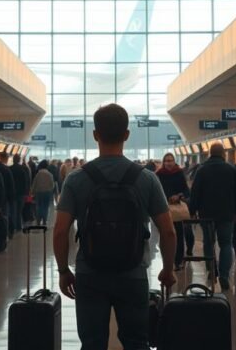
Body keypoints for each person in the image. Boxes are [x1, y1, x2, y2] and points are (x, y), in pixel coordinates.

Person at [54, 104, 176, 350]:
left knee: (92, 343)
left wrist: (64, 270)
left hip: (90, 273)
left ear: (96, 135)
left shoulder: (76, 179)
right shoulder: (147, 178)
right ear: (127, 135)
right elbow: (168, 231)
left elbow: (60, 230)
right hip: (133, 272)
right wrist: (168, 269)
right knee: (136, 342)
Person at [189, 142, 236, 291]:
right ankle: (224, 275)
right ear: (223, 154)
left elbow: (195, 192)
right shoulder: (231, 170)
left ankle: (211, 271)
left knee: (208, 242)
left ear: (209, 154)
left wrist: (192, 210)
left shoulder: (202, 170)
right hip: (227, 213)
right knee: (226, 243)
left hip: (206, 214)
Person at [156, 152, 193, 271]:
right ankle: (167, 260)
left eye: (171, 160)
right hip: (163, 209)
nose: (168, 163)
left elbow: (186, 191)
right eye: (166, 160)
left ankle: (178, 260)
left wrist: (178, 196)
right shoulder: (158, 175)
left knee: (178, 234)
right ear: (163, 162)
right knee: (165, 235)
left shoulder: (179, 173)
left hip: (176, 209)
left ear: (174, 161)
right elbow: (156, 192)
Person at [0, 153, 16, 239]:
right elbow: (11, 186)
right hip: (5, 197)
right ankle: (6, 233)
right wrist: (12, 199)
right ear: (6, 159)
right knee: (6, 215)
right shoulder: (7, 170)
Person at [30, 160, 57, 226]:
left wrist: (32, 192)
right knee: (45, 206)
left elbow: (34, 184)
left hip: (38, 192)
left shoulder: (38, 174)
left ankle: (38, 221)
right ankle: (44, 221)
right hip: (47, 192)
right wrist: (50, 190)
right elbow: (52, 185)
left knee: (39, 206)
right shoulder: (50, 174)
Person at [10, 153, 31, 233]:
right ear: (19, 160)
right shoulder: (23, 169)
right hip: (21, 194)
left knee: (13, 211)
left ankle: (13, 227)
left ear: (13, 160)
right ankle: (19, 226)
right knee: (19, 210)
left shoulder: (10, 169)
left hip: (12, 193)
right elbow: (26, 182)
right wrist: (26, 192)